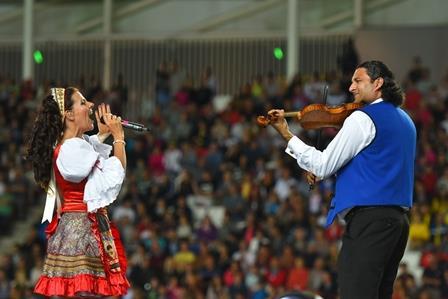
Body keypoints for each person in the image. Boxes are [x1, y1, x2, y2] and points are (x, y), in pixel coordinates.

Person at [267, 60, 416, 299]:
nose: (351, 87)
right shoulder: (406, 120)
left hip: (369, 220)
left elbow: (323, 164)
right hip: (398, 222)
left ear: (378, 83)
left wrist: (287, 134)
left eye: (358, 81)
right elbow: (376, 163)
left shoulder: (362, 119)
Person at [26, 87, 130, 297]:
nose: (91, 105)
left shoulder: (72, 146)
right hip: (82, 230)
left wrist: (102, 135)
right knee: (86, 291)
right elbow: (114, 173)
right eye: (83, 103)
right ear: (69, 114)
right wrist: (119, 138)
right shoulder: (71, 148)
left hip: (81, 226)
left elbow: (88, 151)